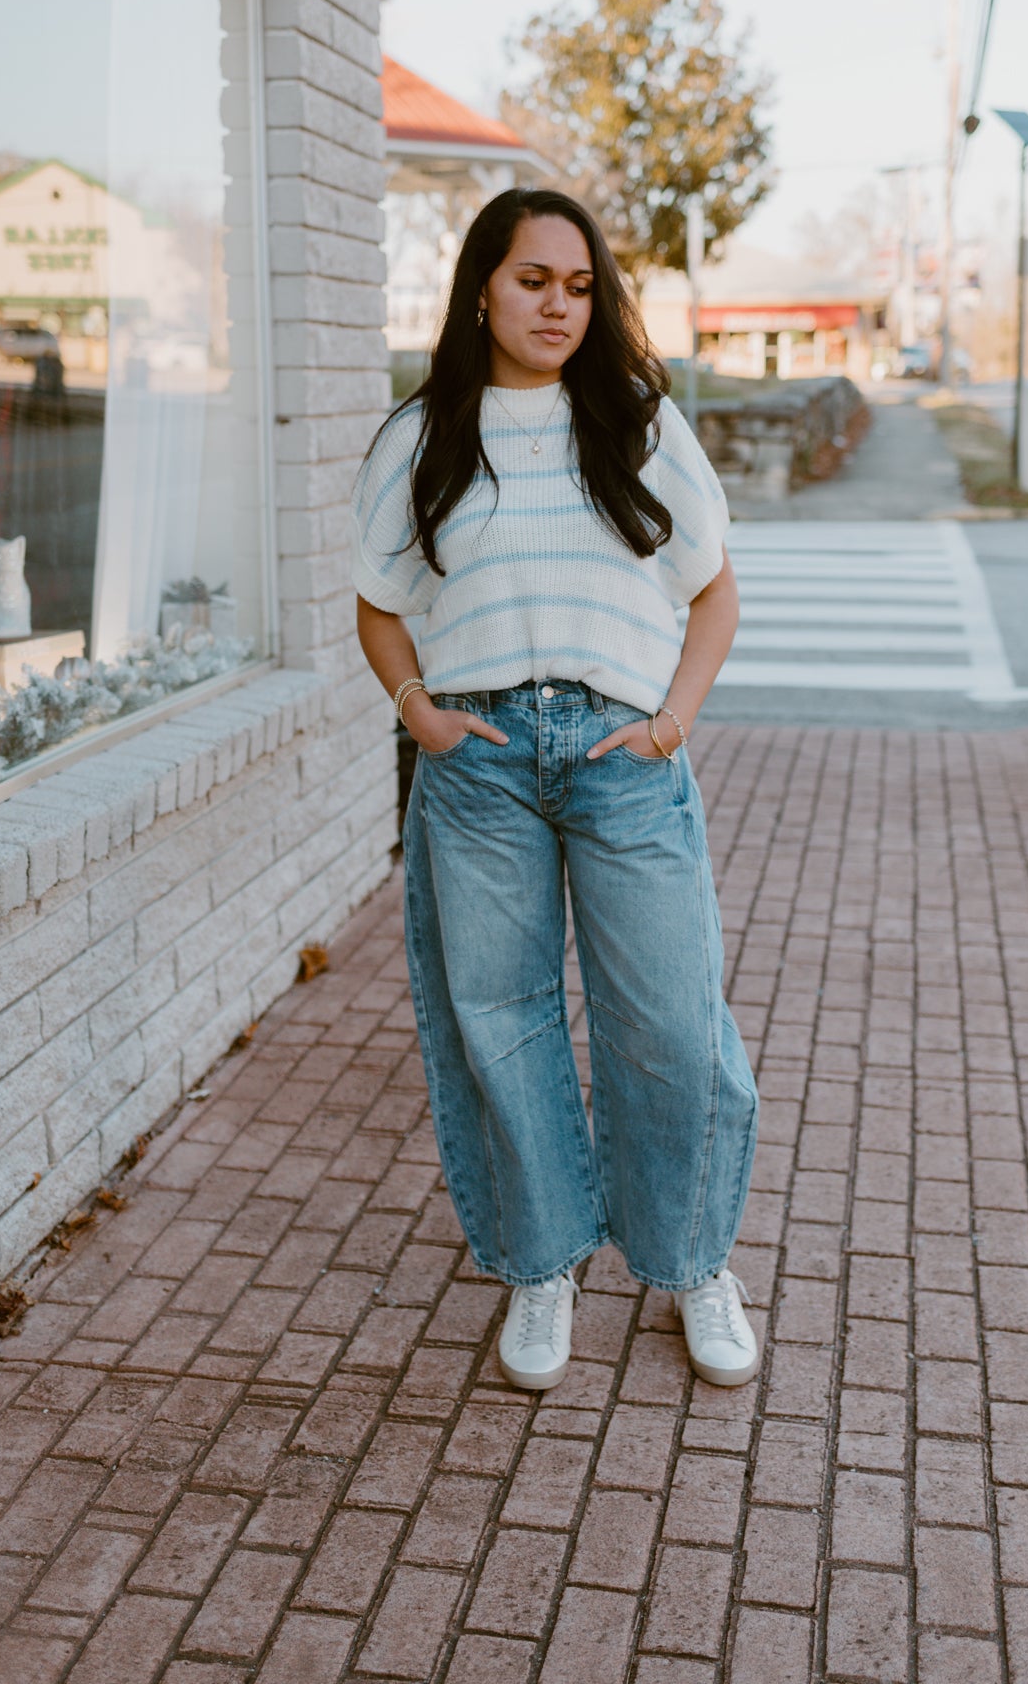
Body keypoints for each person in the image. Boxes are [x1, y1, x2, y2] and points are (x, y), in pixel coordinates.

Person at [352, 188, 758, 1393]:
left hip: (620, 751)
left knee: (672, 1023)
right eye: (535, 280)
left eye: (579, 287)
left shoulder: (635, 419)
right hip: (476, 763)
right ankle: (542, 1261)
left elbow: (714, 591)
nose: (558, 306)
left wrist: (672, 718)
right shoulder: (424, 431)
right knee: (502, 1017)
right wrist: (417, 709)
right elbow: (379, 603)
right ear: (482, 284)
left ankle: (690, 1261)